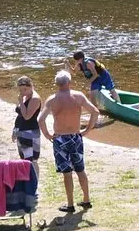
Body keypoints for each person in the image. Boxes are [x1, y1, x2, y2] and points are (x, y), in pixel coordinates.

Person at [38, 70, 100, 213]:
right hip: (75, 137)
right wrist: (87, 130)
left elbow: (41, 119)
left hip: (60, 139)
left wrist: (47, 135)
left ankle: (70, 204)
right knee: (80, 170)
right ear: (69, 82)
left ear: (56, 84)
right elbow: (95, 112)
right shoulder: (78, 96)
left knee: (67, 173)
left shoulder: (52, 100)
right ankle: (86, 200)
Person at [12, 76, 42, 164]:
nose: (22, 92)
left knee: (31, 161)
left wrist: (21, 101)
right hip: (21, 130)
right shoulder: (26, 96)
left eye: (25, 89)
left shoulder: (34, 99)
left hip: (30, 132)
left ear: (31, 86)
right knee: (24, 159)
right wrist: (15, 129)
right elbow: (20, 116)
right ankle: (27, 178)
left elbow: (27, 116)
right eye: (20, 90)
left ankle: (34, 178)